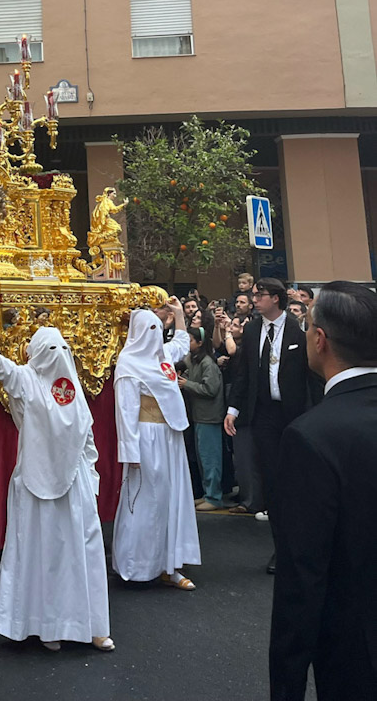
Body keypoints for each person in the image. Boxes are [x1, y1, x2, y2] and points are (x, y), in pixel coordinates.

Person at [0, 289, 113, 653]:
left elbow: (88, 438)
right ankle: (48, 625)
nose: (59, 357)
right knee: (46, 554)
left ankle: (92, 624)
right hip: (37, 482)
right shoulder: (26, 380)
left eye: (62, 350)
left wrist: (91, 478)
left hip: (74, 484)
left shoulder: (70, 388)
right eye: (52, 351)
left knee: (82, 553)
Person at [269, 281, 377, 701]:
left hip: (358, 656)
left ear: (319, 340)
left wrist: (287, 687)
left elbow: (302, 578)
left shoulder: (311, 437)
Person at [224, 278, 316, 573]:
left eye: (259, 295)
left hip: (295, 413)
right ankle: (281, 548)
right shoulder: (252, 330)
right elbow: (243, 374)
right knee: (273, 482)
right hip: (263, 414)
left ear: (275, 298)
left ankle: (308, 543)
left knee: (299, 480)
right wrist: (233, 409)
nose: (254, 299)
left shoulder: (298, 330)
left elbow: (311, 376)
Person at [111, 299, 201, 589]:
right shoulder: (129, 363)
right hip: (146, 438)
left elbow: (182, 343)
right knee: (146, 501)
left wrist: (177, 314)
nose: (155, 333)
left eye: (157, 328)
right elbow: (125, 412)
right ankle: (136, 565)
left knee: (172, 499)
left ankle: (170, 564)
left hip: (170, 437)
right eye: (149, 328)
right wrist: (130, 451)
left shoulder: (161, 355)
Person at [178, 325, 226, 510]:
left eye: (190, 340)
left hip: (209, 417)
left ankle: (214, 497)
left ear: (199, 342)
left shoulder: (207, 362)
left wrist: (187, 384)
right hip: (199, 416)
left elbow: (210, 389)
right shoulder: (193, 360)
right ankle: (208, 493)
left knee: (210, 459)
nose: (188, 344)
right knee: (202, 458)